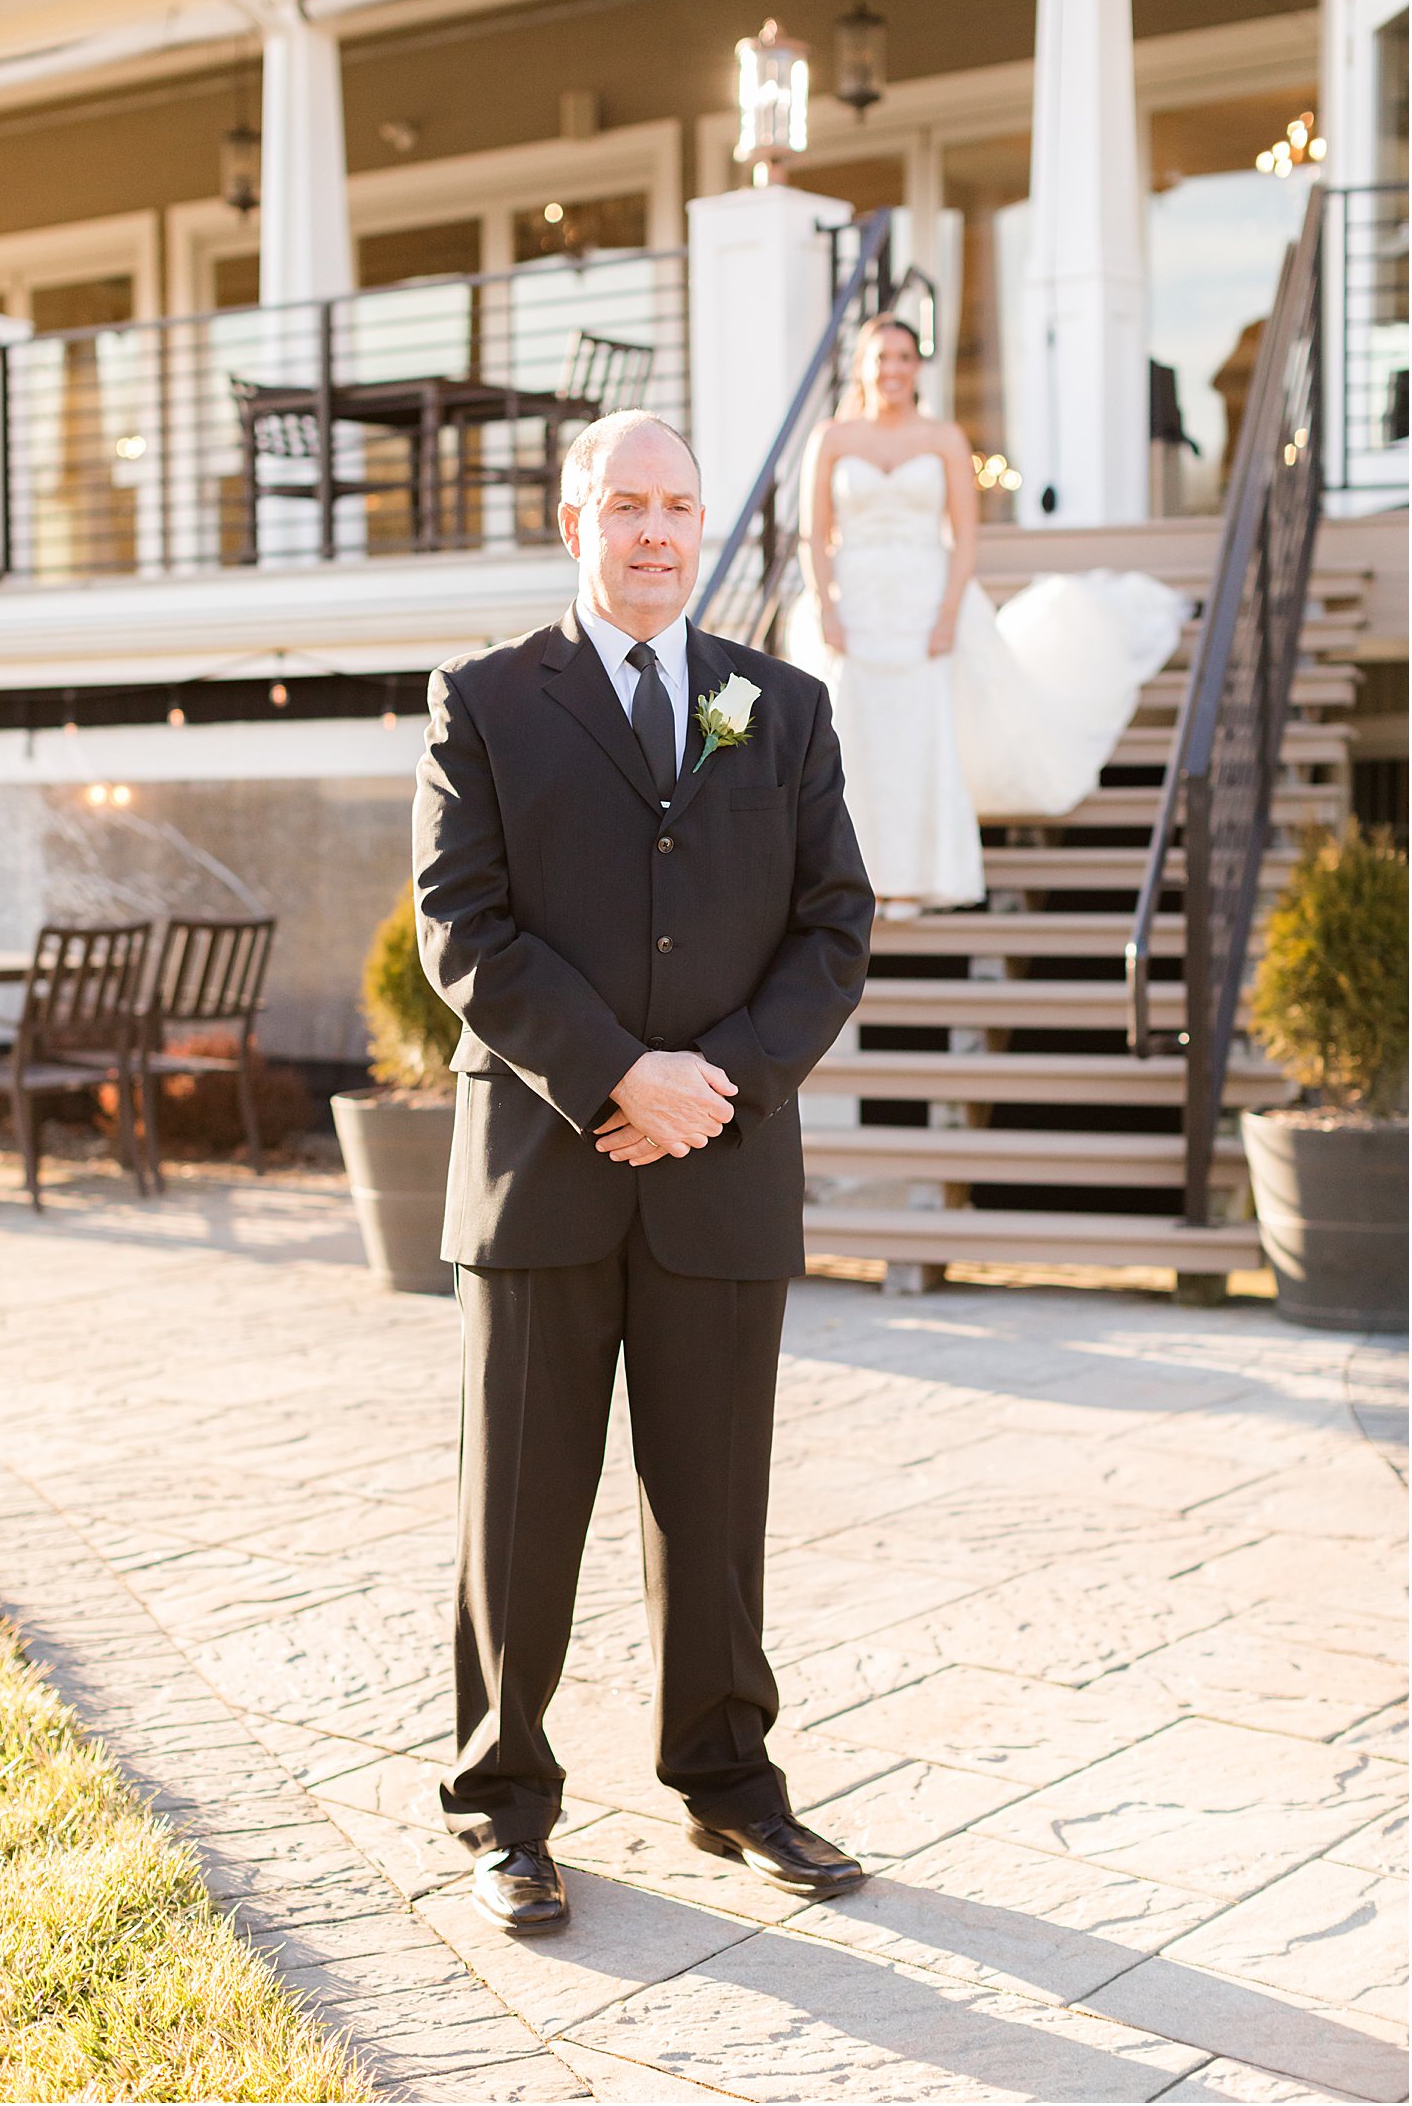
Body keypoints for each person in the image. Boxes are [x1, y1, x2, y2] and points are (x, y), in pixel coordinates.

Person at [412, 409, 874, 1934]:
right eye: (627, 506)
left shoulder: (781, 707)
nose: (657, 532)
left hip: (721, 1172)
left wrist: (711, 1087)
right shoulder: (480, 701)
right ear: (573, 524)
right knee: (521, 1510)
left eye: (678, 505)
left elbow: (834, 926)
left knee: (715, 1505)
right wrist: (619, 1073)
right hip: (543, 1174)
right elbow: (459, 926)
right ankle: (506, 1806)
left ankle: (731, 1784)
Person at [797, 315, 1188, 914]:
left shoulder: (946, 438)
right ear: (863, 366)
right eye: (881, 358)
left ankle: (920, 875)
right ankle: (855, 878)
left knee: (923, 734)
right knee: (854, 736)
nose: (893, 369)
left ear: (918, 366)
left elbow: (965, 538)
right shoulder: (832, 439)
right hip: (858, 603)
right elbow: (812, 535)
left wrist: (949, 611)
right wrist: (828, 607)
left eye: (904, 357)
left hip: (925, 600)